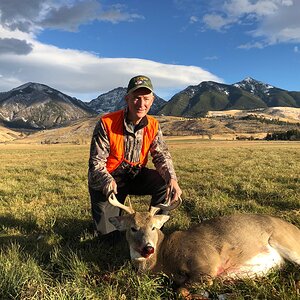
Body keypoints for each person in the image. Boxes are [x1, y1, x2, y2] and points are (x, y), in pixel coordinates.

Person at [88, 75, 182, 237]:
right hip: (107, 183)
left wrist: (171, 178)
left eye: (146, 98)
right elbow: (96, 163)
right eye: (136, 98)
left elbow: (161, 156)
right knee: (109, 238)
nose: (141, 103)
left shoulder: (153, 125)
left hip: (134, 175)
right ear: (127, 99)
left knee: (164, 183)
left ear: (152, 100)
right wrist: (107, 181)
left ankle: (153, 227)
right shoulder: (106, 123)